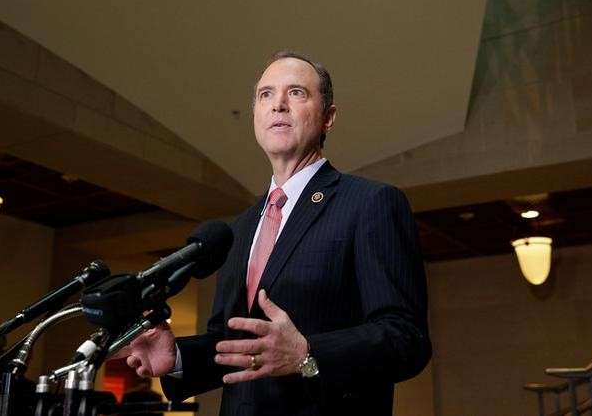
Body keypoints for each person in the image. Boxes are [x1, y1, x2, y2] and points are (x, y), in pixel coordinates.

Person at [118, 52, 431, 416]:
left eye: (296, 93)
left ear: (328, 118)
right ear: (255, 117)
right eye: (266, 95)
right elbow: (233, 343)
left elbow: (406, 338)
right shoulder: (238, 229)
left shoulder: (371, 203)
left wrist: (306, 353)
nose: (278, 104)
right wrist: (178, 357)